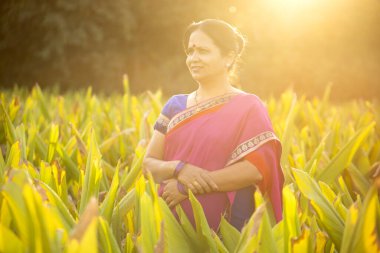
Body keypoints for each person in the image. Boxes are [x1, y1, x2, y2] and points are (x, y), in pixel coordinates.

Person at [143, 19, 284, 231]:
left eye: (203, 51)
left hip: (228, 229)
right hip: (170, 227)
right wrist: (179, 168)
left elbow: (256, 170)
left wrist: (186, 187)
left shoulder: (248, 106)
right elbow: (149, 164)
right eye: (190, 51)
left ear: (228, 57)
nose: (194, 58)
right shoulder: (175, 106)